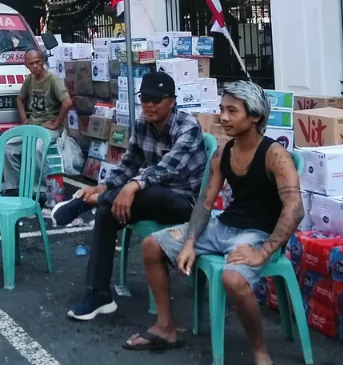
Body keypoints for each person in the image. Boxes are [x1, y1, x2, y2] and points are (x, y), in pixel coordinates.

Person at [125, 81, 302, 362]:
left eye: (232, 111)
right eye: (222, 109)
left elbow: (295, 209)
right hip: (222, 227)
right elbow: (205, 203)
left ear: (255, 116)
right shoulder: (224, 152)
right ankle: (165, 327)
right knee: (151, 246)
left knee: (232, 279)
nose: (223, 117)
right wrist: (189, 242)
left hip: (257, 235)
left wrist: (264, 252)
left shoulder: (275, 155)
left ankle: (260, 352)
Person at [62, 71, 208, 321]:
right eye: (144, 99)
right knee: (108, 212)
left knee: (147, 191)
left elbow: (166, 168)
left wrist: (131, 187)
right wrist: (103, 188)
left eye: (156, 99)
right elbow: (128, 165)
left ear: (172, 101)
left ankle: (86, 204)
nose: (149, 105)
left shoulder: (188, 127)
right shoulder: (142, 124)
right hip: (149, 196)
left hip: (184, 203)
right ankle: (98, 294)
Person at [4, 50, 73, 195]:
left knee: (36, 149)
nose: (35, 66)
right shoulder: (30, 79)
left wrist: (56, 124)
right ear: (27, 66)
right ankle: (13, 187)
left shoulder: (52, 79)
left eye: (38, 62)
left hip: (49, 127)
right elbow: (20, 99)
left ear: (43, 61)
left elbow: (67, 103)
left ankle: (38, 189)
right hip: (33, 125)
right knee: (8, 146)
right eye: (31, 64)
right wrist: (24, 119)